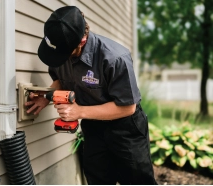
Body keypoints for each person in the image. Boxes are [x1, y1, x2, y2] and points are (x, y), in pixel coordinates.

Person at [25, 6, 157, 185]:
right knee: (97, 179)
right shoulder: (59, 48)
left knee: (136, 181)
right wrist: (46, 95)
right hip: (93, 128)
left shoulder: (115, 58)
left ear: (82, 40)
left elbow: (127, 107)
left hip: (126, 129)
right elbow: (61, 80)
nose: (58, 58)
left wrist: (79, 112)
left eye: (62, 54)